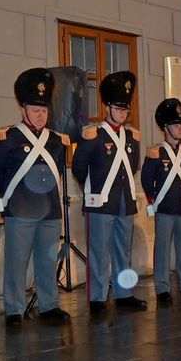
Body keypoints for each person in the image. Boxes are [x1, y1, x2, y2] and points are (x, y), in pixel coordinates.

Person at [0, 67, 71, 327]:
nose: (40, 115)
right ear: (23, 109)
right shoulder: (8, 138)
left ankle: (49, 305)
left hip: (50, 210)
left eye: (44, 110)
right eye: (35, 110)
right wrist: (13, 198)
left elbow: (56, 173)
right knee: (17, 262)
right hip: (21, 210)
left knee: (47, 261)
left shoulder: (57, 141)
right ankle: (14, 309)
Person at [71, 70, 148, 312]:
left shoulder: (132, 137)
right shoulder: (93, 135)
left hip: (124, 201)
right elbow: (79, 168)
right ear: (107, 108)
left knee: (123, 250)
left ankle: (124, 294)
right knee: (99, 252)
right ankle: (98, 298)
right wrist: (94, 189)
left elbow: (132, 167)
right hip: (101, 202)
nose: (122, 113)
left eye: (125, 109)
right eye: (118, 108)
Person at [142, 97, 181, 301]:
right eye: (176, 125)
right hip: (165, 209)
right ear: (166, 128)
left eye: (180, 125)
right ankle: (162, 288)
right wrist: (154, 202)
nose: (180, 129)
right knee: (163, 250)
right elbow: (147, 180)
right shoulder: (156, 153)